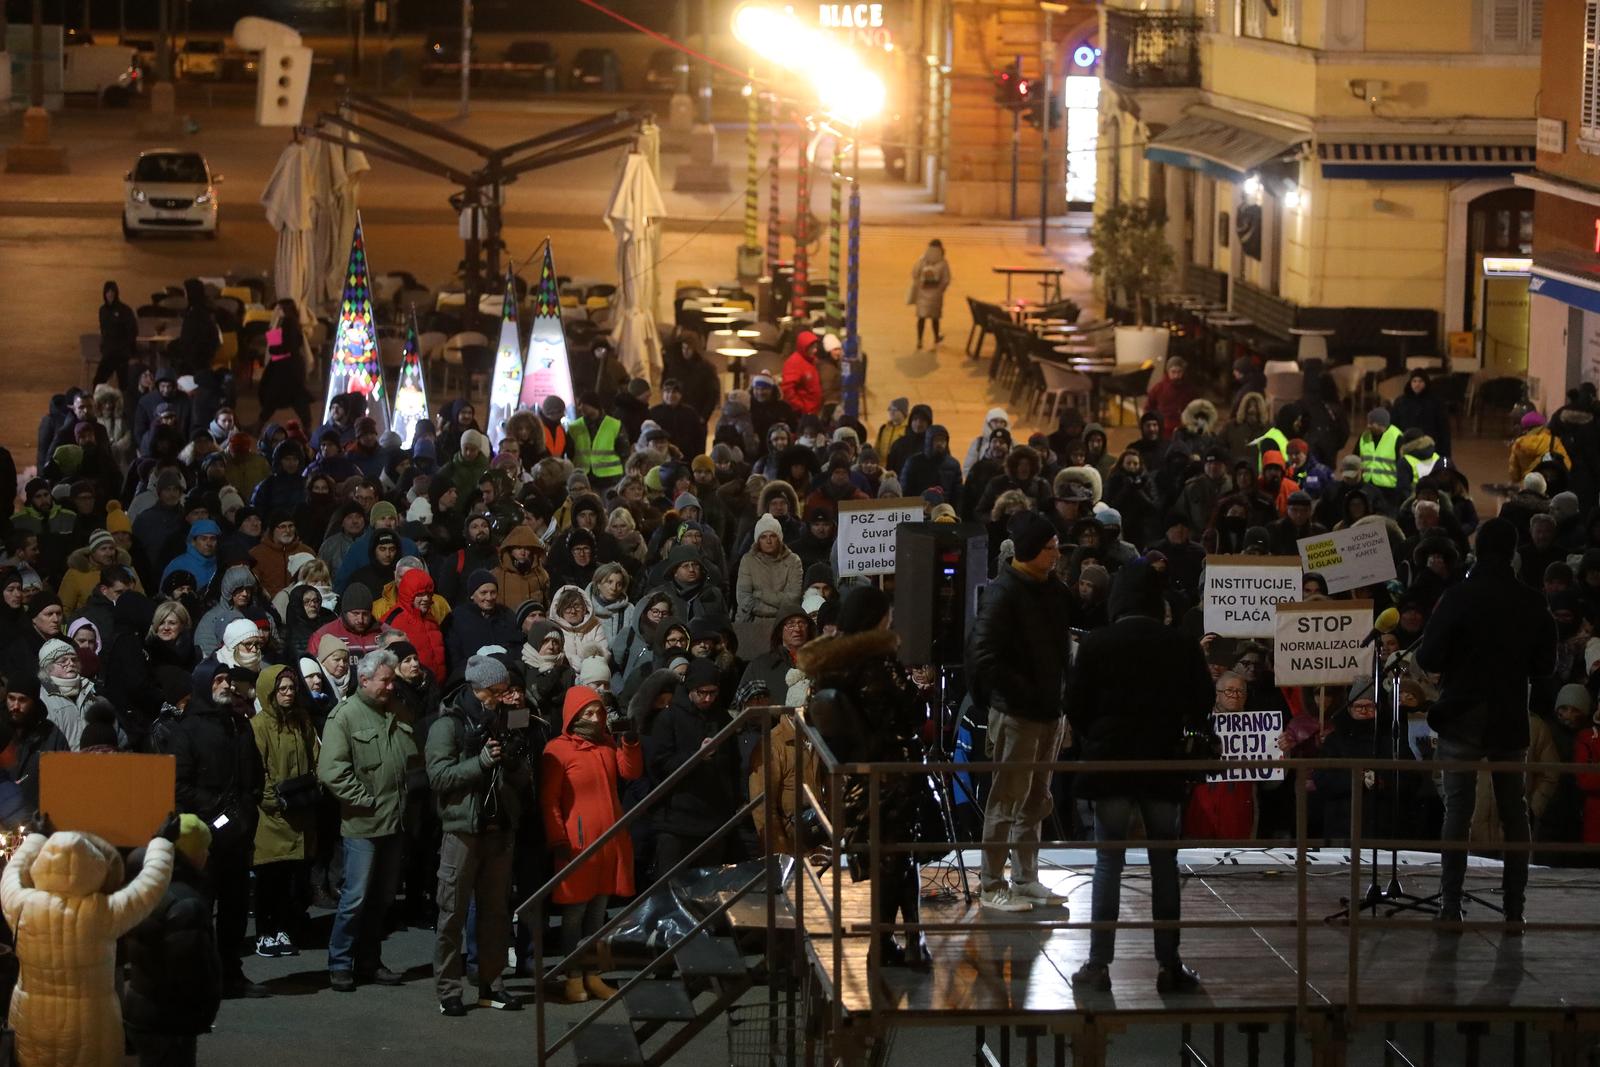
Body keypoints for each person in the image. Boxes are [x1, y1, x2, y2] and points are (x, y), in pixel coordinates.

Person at [1067, 560, 1212, 993]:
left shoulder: (1097, 643)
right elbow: (1202, 702)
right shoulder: (1179, 643)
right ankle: (1169, 965)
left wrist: (1099, 734)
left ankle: (1098, 965)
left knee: (1108, 861)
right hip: (1162, 761)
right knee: (1163, 861)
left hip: (1110, 761)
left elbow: (1076, 706)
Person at [1415, 518, 1557, 928]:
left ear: (1478, 550)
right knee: (1516, 811)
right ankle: (1515, 907)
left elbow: (1428, 658)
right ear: (1514, 550)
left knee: (1457, 811)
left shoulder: (1459, 596)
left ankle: (1451, 904)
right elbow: (1545, 665)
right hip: (1510, 716)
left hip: (1462, 715)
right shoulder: (1531, 601)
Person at [2, 813, 179, 1067]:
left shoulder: (21, 905)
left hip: (31, 1018)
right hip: (92, 1024)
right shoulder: (102, 912)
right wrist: (162, 843)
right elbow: (149, 887)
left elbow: (12, 872)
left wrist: (36, 838)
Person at [965, 511, 1074, 912]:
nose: (1057, 555)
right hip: (1018, 714)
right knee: (1006, 801)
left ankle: (1026, 878)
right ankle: (992, 884)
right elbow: (983, 655)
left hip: (1049, 712)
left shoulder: (1053, 590)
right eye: (1050, 548)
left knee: (1037, 799)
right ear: (1030, 551)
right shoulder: (1004, 593)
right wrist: (1021, 692)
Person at [427, 655, 531, 1016]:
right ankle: (449, 989)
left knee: (495, 913)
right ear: (478, 689)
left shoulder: (509, 718)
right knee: (452, 913)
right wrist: (480, 762)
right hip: (462, 830)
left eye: (506, 690)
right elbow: (439, 777)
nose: (503, 697)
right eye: (496, 691)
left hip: (500, 828)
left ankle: (492, 984)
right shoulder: (449, 725)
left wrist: (516, 760)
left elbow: (523, 776)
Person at [317, 649, 419, 991]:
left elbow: (411, 760)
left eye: (393, 680)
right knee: (355, 898)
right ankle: (340, 962)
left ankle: (369, 961)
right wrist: (367, 801)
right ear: (364, 680)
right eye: (385, 680)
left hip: (396, 823)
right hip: (363, 824)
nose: (391, 686)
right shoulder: (344, 717)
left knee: (382, 899)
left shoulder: (398, 712)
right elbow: (332, 771)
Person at [168, 661, 268, 999]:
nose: (226, 685)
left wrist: (247, 808)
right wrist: (218, 811)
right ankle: (198, 979)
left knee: (235, 910)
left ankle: (231, 974)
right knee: (199, 909)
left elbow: (255, 773)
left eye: (228, 680)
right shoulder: (186, 730)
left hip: (238, 836)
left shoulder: (240, 725)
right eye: (219, 680)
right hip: (203, 836)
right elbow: (179, 785)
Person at [540, 685, 644, 1004]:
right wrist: (557, 837)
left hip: (608, 842)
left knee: (598, 912)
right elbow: (549, 801)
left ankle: (593, 974)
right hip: (577, 845)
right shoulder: (557, 750)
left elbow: (631, 771)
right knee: (575, 914)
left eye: (598, 712)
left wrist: (629, 742)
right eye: (588, 712)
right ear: (573, 715)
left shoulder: (606, 745)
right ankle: (573, 976)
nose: (595, 717)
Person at [251, 665, 320, 961]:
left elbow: (314, 756)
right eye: (282, 689)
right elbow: (258, 769)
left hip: (300, 810)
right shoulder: (259, 725)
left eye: (292, 688)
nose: (289, 694)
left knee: (293, 879)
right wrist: (273, 800)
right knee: (270, 877)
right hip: (273, 815)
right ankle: (265, 933)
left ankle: (284, 928)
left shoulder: (302, 721)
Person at [908, 238, 951, 349]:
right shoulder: (943, 262)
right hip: (936, 295)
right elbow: (946, 280)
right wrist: (940, 290)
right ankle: (936, 338)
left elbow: (914, 273)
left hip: (922, 294)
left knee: (921, 318)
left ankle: (919, 340)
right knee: (935, 318)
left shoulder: (922, 260)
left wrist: (919, 286)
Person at [96, 280, 138, 390]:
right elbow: (103, 330)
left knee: (124, 383)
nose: (110, 294)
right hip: (109, 353)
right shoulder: (102, 310)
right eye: (108, 292)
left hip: (122, 353)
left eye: (112, 291)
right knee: (98, 381)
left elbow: (132, 331)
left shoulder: (125, 310)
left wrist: (129, 351)